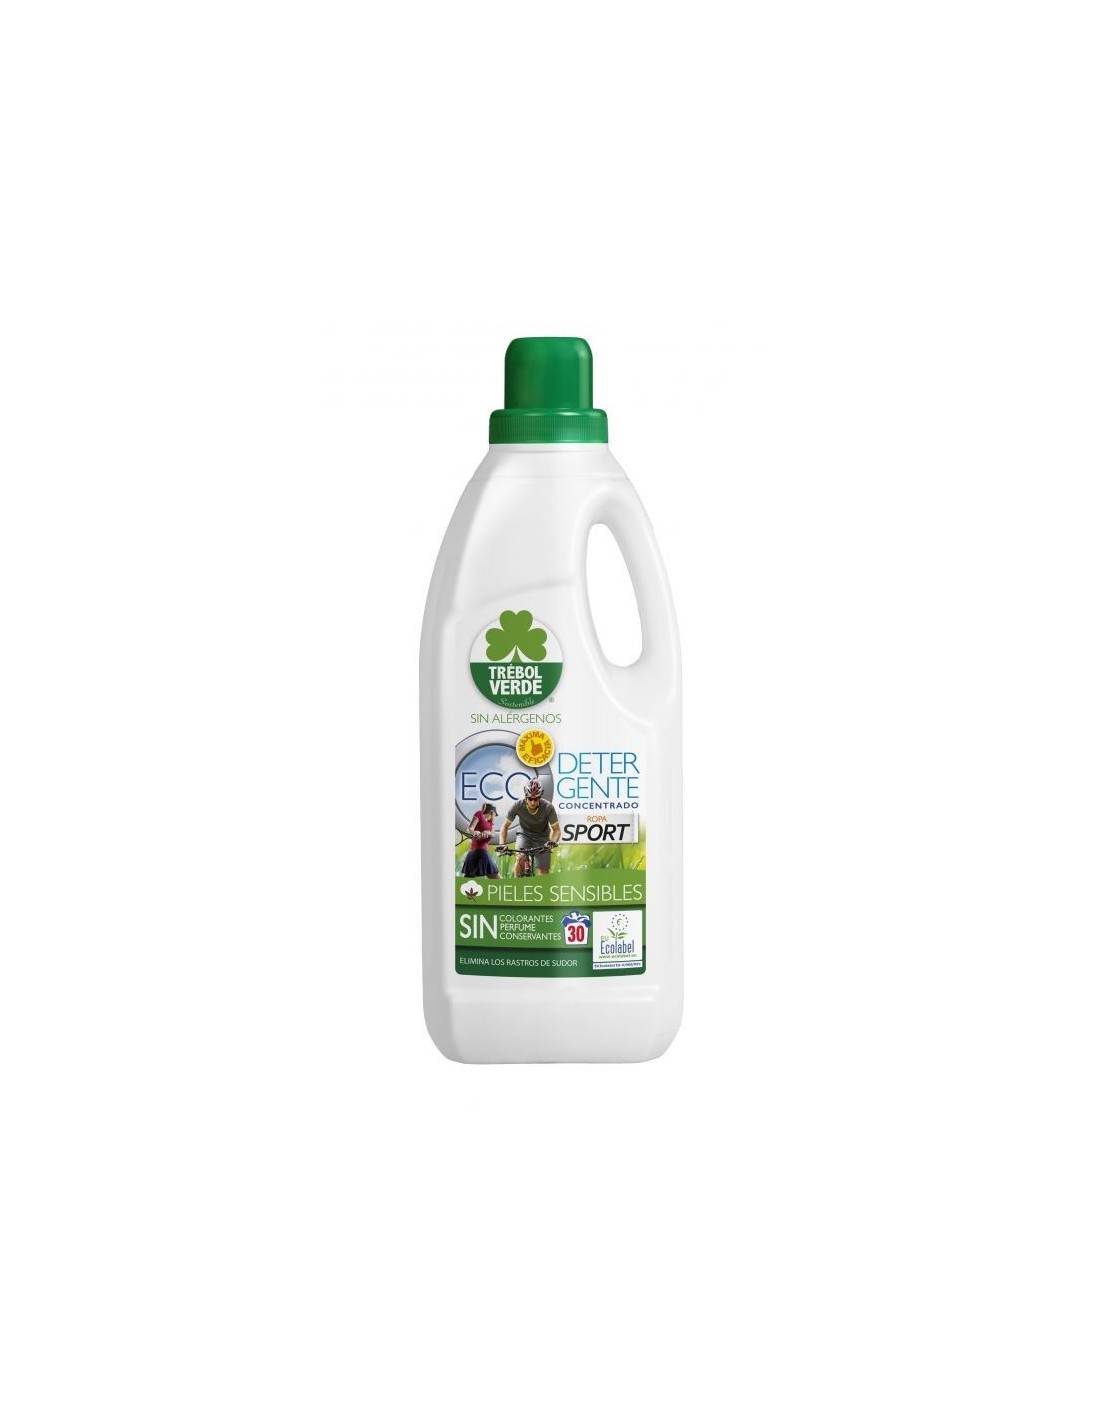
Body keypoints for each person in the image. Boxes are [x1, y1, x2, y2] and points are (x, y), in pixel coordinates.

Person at [499, 777, 560, 875]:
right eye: (530, 798)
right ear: (525, 797)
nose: (533, 802)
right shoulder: (518, 805)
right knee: (520, 858)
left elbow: (557, 830)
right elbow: (505, 826)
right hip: (524, 835)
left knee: (543, 870)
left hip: (542, 837)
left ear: (540, 797)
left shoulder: (548, 807)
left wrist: (552, 842)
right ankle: (518, 883)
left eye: (536, 799)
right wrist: (502, 844)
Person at [461, 802, 499, 878]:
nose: (495, 816)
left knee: (468, 876)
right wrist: (474, 832)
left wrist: (488, 833)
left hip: (478, 852)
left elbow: (493, 834)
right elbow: (470, 828)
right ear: (492, 812)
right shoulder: (479, 814)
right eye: (495, 814)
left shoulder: (491, 823)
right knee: (495, 876)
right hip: (480, 852)